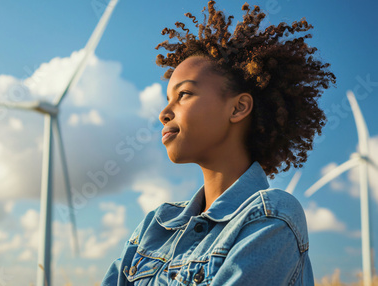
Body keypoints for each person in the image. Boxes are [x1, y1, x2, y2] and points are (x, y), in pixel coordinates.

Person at [101, 1, 336, 285]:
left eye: (184, 94)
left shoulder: (270, 217)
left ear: (237, 108)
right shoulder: (156, 224)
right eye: (167, 100)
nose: (164, 113)